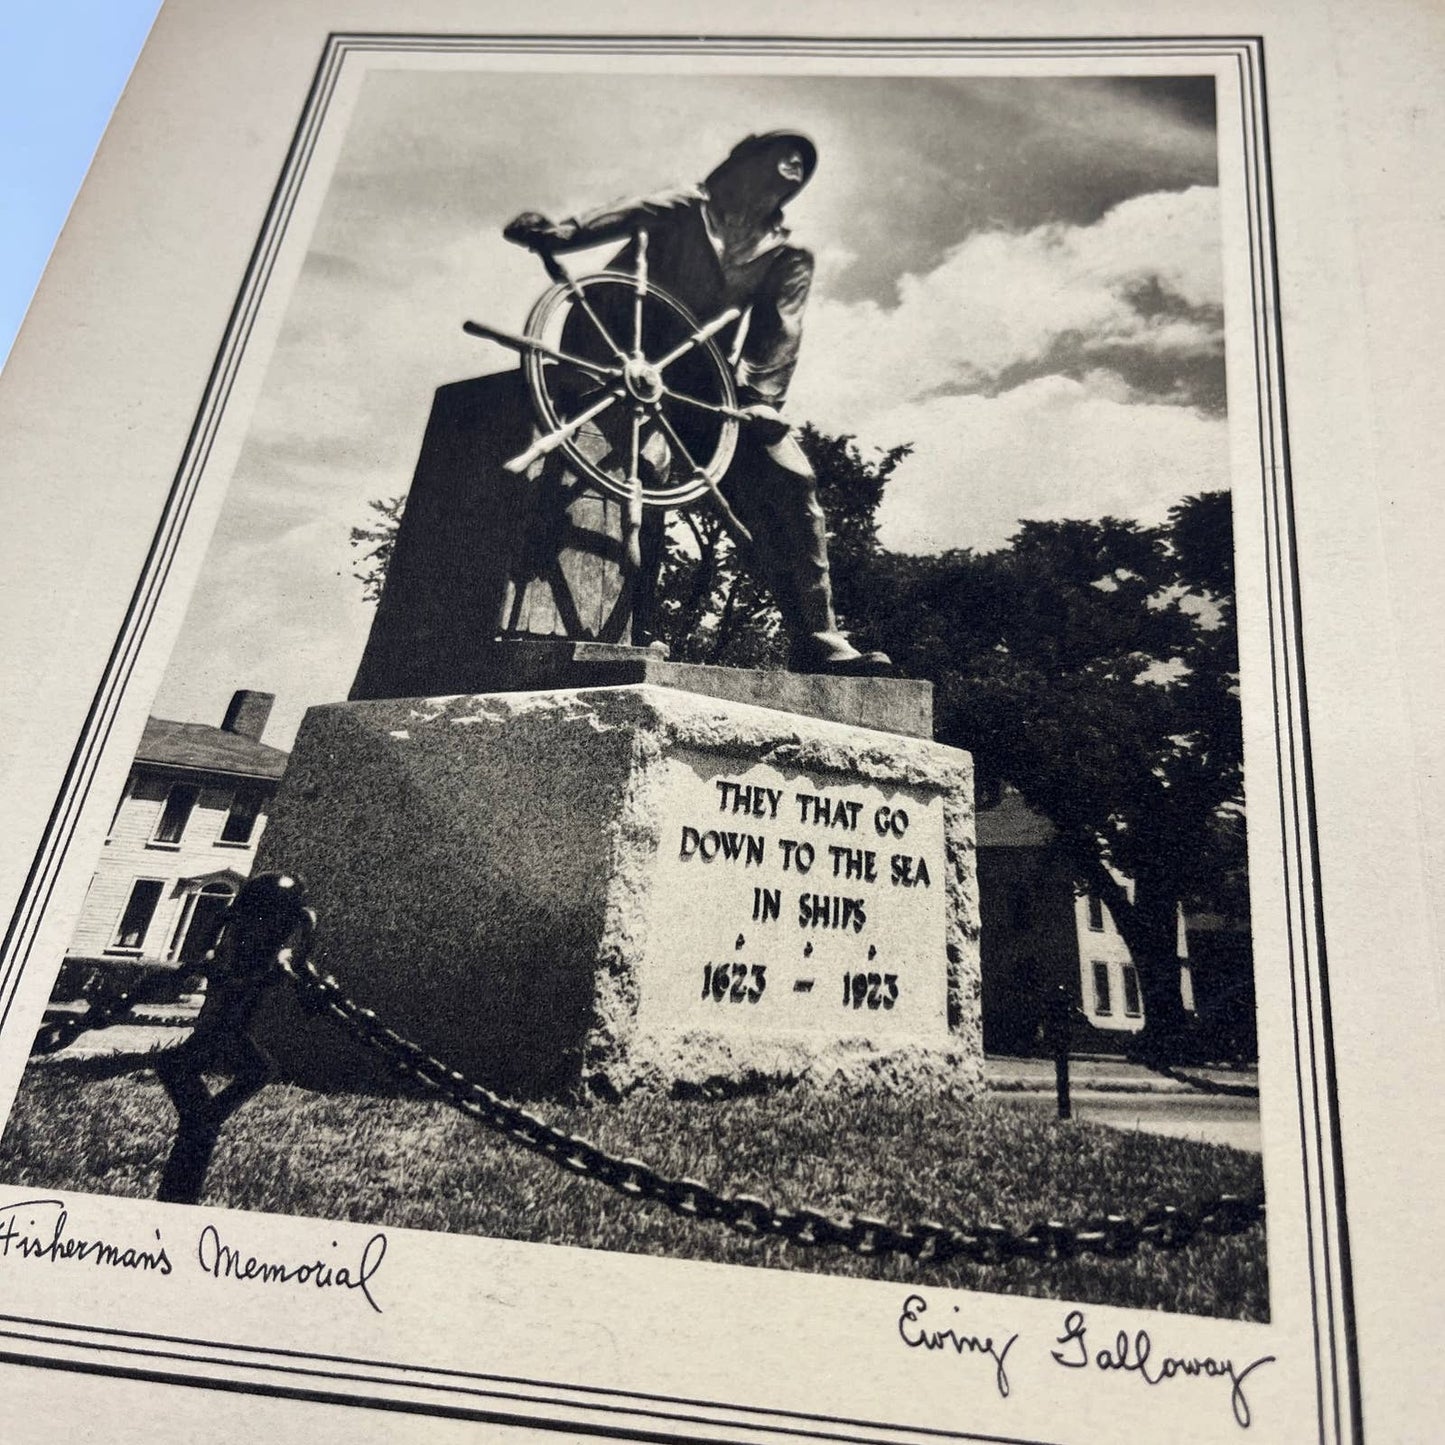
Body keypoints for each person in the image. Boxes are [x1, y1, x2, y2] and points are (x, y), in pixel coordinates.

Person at [502, 131, 892, 677]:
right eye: (783, 153)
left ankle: (817, 638)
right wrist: (560, 234)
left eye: (804, 163)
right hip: (615, 348)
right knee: (639, 467)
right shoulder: (687, 206)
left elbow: (782, 328)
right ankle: (628, 632)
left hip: (702, 377)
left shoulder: (788, 252)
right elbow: (619, 215)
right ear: (743, 161)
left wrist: (760, 400)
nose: (797, 165)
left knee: (789, 477)